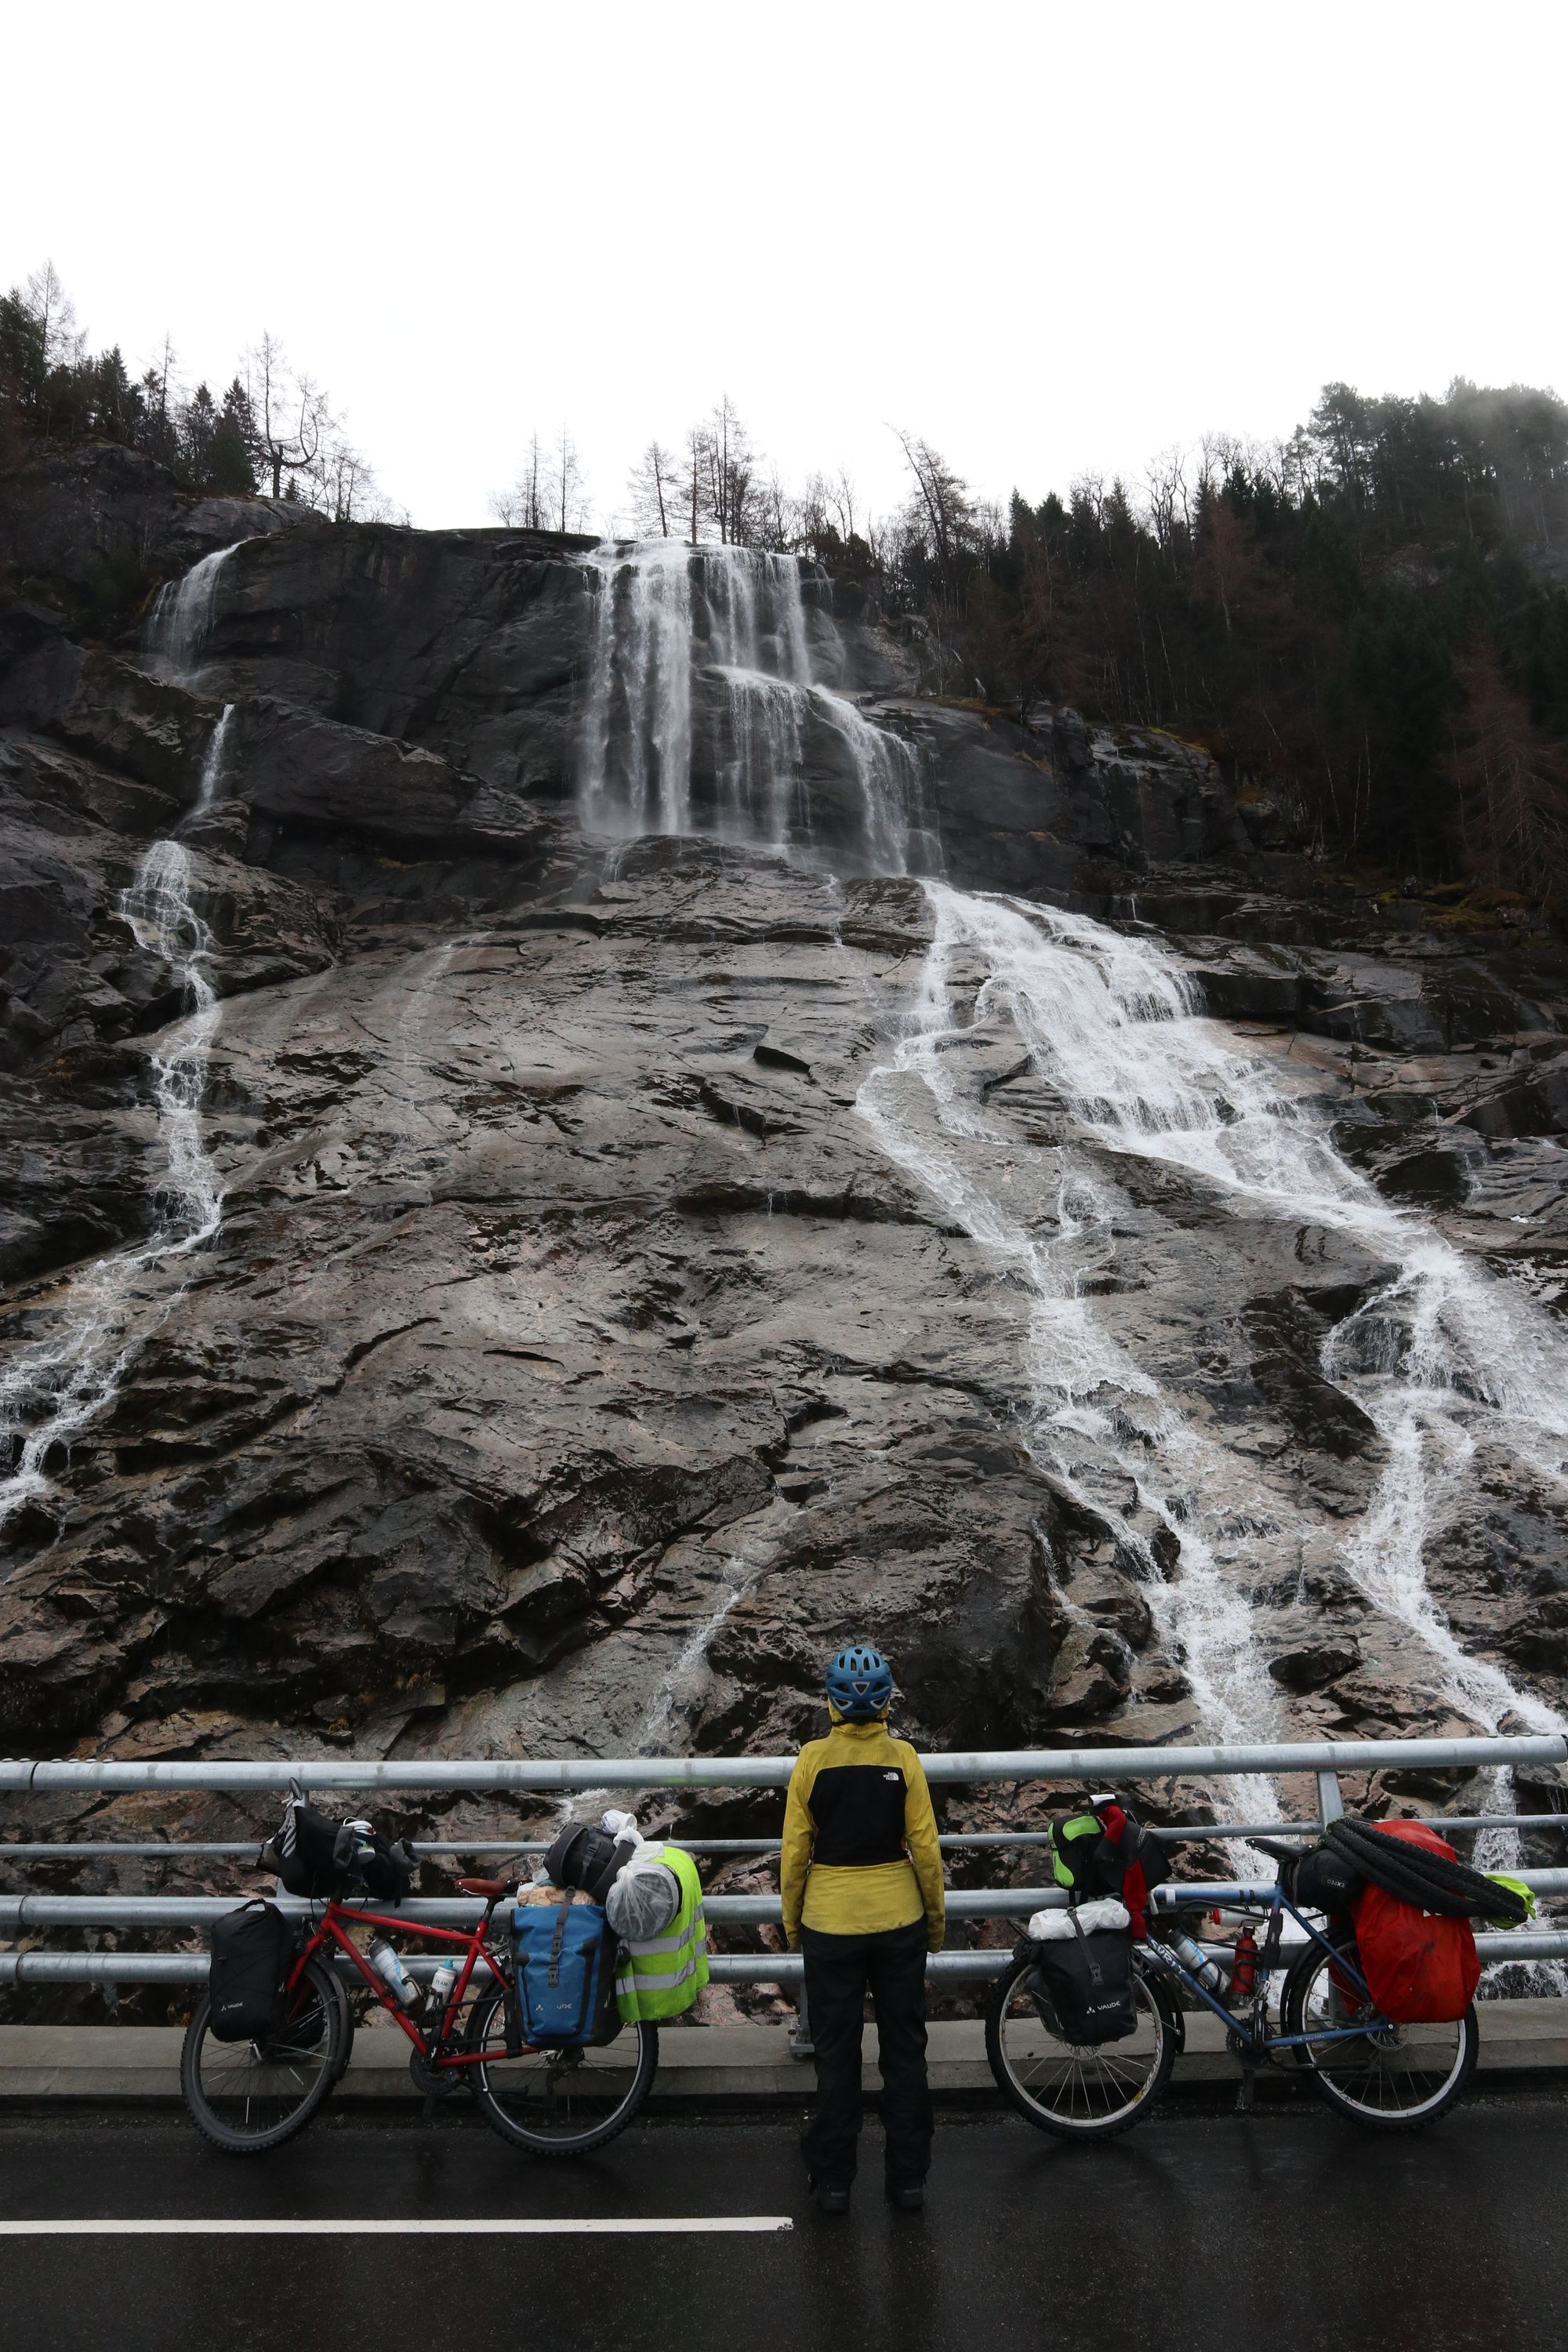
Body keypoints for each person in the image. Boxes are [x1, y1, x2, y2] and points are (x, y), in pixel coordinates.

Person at [781, 1644, 946, 2215]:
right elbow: (925, 1849)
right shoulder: (904, 1758)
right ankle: (908, 2181)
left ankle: (832, 2183)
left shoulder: (810, 1760)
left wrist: (792, 1923)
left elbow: (795, 1851)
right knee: (905, 2051)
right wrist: (935, 1922)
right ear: (885, 1702)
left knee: (835, 2054)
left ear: (830, 1700)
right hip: (899, 1921)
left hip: (829, 1923)